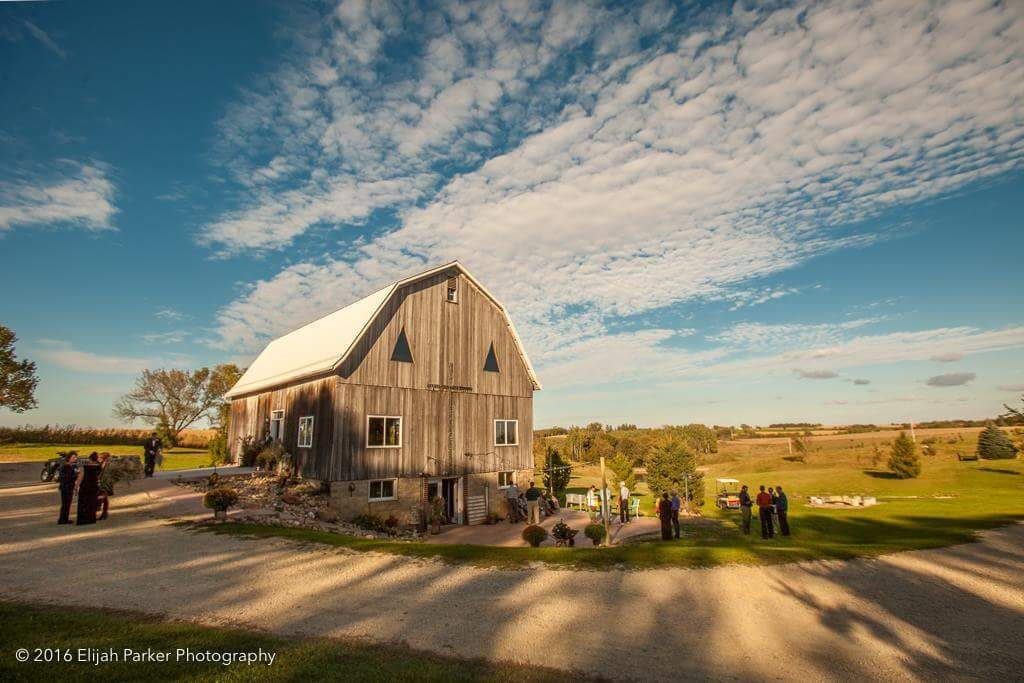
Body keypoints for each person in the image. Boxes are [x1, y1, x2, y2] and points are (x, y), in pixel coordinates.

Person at [75, 453, 102, 526]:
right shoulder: (98, 467)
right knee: (92, 503)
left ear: (90, 459)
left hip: (85, 487)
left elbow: (80, 477)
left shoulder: (85, 467)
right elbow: (99, 477)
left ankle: (83, 519)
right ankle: (91, 518)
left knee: (83, 503)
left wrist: (76, 486)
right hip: (94, 486)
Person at [57, 452, 79, 524]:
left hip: (67, 487)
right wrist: (76, 475)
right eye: (73, 457)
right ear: (69, 458)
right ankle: (63, 519)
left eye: (75, 457)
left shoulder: (70, 466)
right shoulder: (66, 466)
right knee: (66, 504)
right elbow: (67, 477)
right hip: (66, 487)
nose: (75, 459)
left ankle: (64, 518)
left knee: (67, 504)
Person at [96, 452, 112, 521]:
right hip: (105, 482)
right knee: (105, 498)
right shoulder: (104, 463)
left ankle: (102, 512)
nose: (98, 458)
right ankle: (104, 514)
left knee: (101, 497)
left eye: (100, 457)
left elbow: (102, 473)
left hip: (104, 483)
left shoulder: (105, 464)